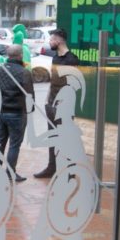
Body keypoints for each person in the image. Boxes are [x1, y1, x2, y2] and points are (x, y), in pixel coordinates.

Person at [34, 28, 79, 179]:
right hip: (51, 104)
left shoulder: (71, 59)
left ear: (59, 40)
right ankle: (51, 167)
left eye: (52, 39)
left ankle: (70, 170)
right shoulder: (55, 58)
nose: (50, 41)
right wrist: (47, 100)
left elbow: (73, 84)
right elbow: (53, 81)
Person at [0, 44, 34, 182]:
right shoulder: (24, 72)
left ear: (8, 55)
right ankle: (10, 173)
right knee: (14, 145)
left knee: (0, 141)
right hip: (17, 113)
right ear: (21, 55)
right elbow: (30, 95)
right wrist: (30, 111)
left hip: (1, 112)